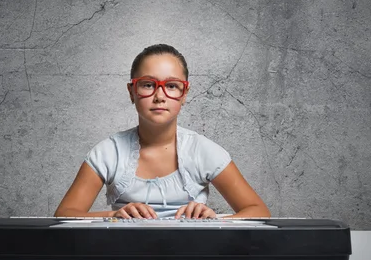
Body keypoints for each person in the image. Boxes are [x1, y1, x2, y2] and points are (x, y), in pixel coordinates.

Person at [54, 44, 271, 219]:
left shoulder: (202, 150)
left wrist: (213, 220)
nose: (159, 96)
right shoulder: (109, 152)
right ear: (132, 92)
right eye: (148, 84)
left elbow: (259, 211)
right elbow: (64, 215)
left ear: (185, 93)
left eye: (172, 86)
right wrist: (113, 215)